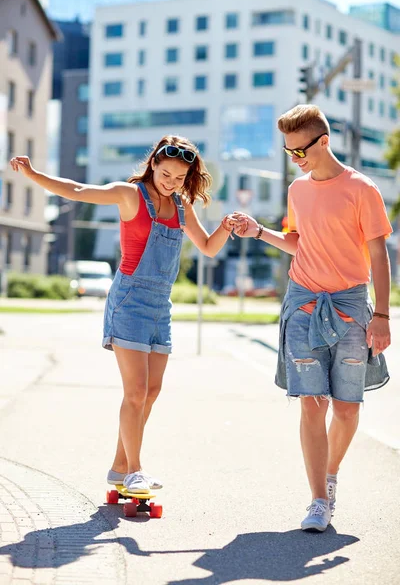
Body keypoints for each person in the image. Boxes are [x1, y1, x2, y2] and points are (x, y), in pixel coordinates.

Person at [10, 135, 246, 494]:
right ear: (153, 164)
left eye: (179, 178)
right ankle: (135, 469)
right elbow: (75, 189)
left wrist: (226, 227)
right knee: (134, 391)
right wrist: (33, 174)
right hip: (130, 300)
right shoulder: (129, 195)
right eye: (166, 173)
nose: (171, 182)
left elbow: (209, 248)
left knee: (151, 392)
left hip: (160, 307)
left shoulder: (182, 206)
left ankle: (120, 468)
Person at [233, 105, 392, 532]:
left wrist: (382, 315)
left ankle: (330, 475)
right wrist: (258, 231)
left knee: (346, 408)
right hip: (303, 302)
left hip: (352, 305)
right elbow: (297, 242)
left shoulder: (362, 189)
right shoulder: (298, 190)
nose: (296, 160)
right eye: (289, 153)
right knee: (310, 403)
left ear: (323, 141)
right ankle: (319, 500)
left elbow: (379, 255)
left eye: (300, 152)